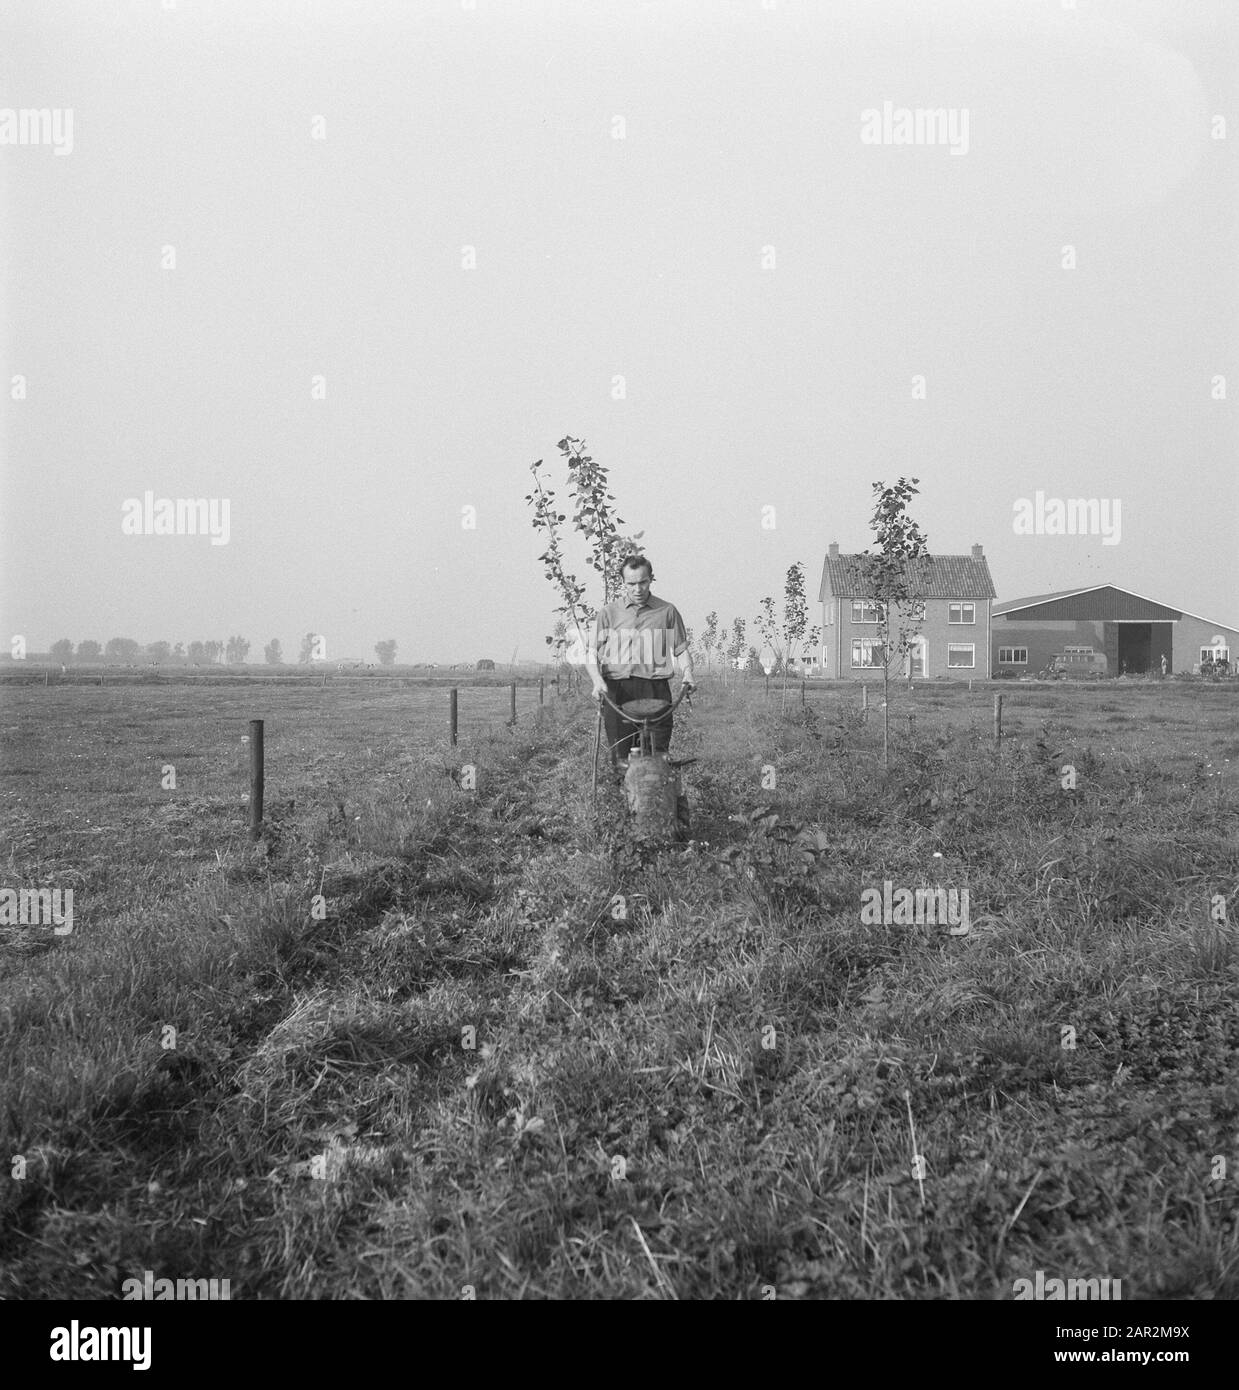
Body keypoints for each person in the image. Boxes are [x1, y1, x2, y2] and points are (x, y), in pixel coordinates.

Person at [587, 554, 696, 783]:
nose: (638, 589)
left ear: (651, 579)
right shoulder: (608, 613)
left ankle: (658, 810)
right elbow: (591, 654)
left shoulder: (667, 611)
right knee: (622, 760)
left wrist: (688, 673)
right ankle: (626, 809)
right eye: (631, 583)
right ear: (623, 583)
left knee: (656, 758)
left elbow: (681, 650)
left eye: (643, 582)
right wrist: (597, 681)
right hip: (618, 691)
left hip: (655, 691)